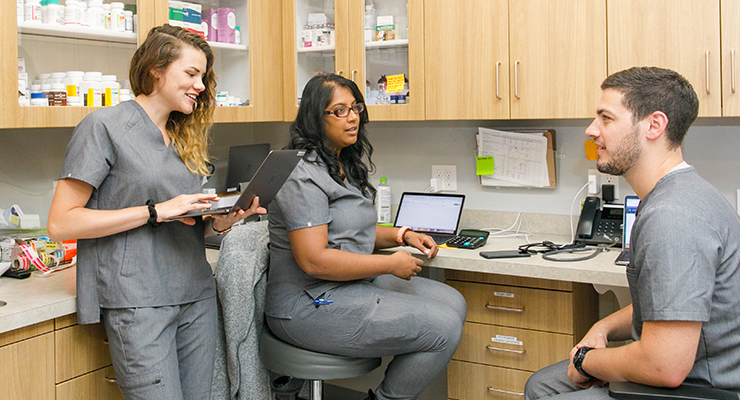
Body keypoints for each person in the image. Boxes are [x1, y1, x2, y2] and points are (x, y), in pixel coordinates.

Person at [47, 25, 264, 400]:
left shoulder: (183, 137)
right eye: (191, 74)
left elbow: (185, 222)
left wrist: (221, 222)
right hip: (138, 301)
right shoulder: (104, 127)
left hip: (195, 294)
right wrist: (154, 211)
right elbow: (61, 221)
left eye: (204, 77)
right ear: (156, 70)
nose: (200, 85)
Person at [524, 67, 740, 399]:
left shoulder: (671, 217)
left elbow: (663, 366)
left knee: (549, 389)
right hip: (686, 370)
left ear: (654, 125)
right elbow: (667, 302)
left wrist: (585, 360)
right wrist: (603, 326)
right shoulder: (683, 194)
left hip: (698, 387)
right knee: (541, 384)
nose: (591, 130)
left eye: (606, 118)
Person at [265, 74, 467, 400]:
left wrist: (403, 235)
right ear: (316, 117)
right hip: (308, 304)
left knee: (453, 302)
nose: (353, 117)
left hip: (346, 286)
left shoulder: (342, 162)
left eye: (355, 107)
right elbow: (314, 259)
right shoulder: (300, 173)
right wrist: (387, 266)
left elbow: (349, 232)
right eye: (340, 110)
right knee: (441, 327)